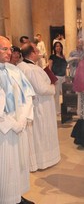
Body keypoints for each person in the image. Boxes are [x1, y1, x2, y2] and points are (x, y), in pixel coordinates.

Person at [0, 36, 35, 204]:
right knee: (6, 166)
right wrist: (12, 124)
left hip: (19, 125)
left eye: (10, 49)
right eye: (4, 49)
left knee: (19, 163)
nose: (9, 52)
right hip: (4, 130)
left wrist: (22, 119)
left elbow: (28, 95)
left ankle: (17, 196)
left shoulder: (14, 70)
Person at [18, 43, 61, 172]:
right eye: (37, 51)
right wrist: (53, 87)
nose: (39, 53)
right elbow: (42, 89)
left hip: (31, 104)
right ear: (32, 53)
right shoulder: (32, 69)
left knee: (34, 134)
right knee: (41, 133)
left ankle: (34, 160)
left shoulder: (20, 66)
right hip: (40, 105)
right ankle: (43, 160)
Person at [49, 41, 68, 114]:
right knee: (56, 94)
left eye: (60, 46)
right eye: (57, 46)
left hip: (63, 76)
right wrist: (52, 78)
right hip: (56, 76)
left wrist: (66, 76)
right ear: (54, 48)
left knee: (65, 94)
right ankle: (57, 110)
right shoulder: (52, 56)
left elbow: (65, 67)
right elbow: (50, 67)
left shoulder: (63, 56)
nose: (58, 47)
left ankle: (65, 109)